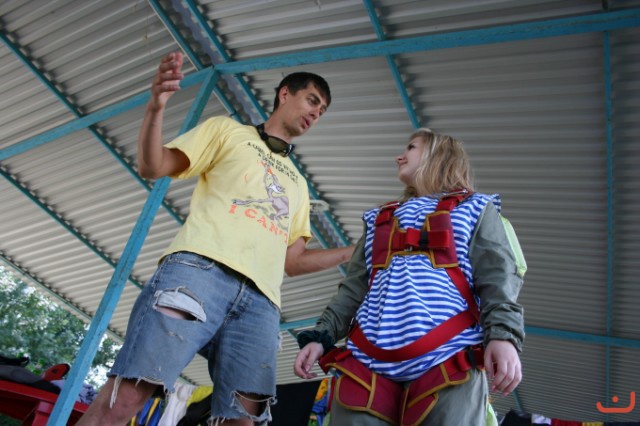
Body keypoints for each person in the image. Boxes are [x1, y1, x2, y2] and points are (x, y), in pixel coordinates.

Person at [78, 51, 354, 426]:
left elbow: (292, 261)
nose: (315, 113)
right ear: (285, 93)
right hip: (199, 274)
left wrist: (353, 252)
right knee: (126, 397)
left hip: (262, 303)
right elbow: (153, 165)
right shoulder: (228, 131)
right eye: (312, 100)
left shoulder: (299, 185)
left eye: (321, 111)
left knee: (242, 422)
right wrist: (156, 106)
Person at [294, 128, 526, 425]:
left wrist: (503, 336)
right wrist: (322, 336)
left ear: (439, 154)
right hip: (366, 363)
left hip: (448, 358)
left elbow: (498, 278)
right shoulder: (378, 219)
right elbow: (353, 289)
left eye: (411, 147)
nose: (399, 156)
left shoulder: (476, 208)